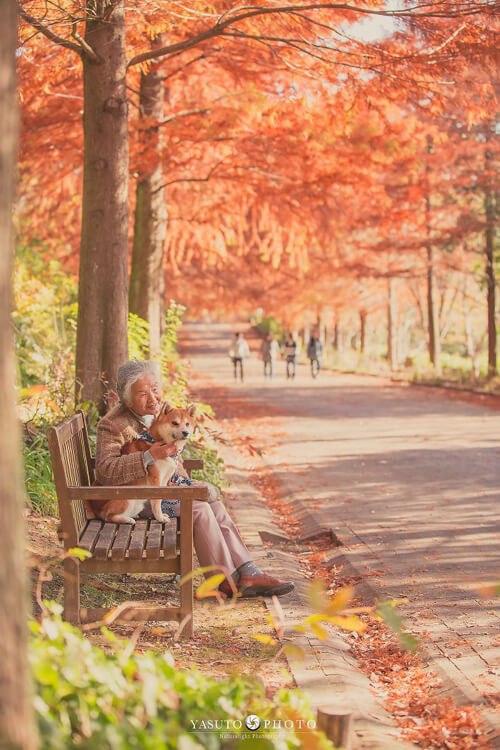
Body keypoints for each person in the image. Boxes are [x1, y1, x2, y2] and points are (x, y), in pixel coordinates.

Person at [95, 360, 294, 598]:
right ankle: (226, 580)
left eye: (155, 389)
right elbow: (105, 470)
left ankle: (248, 571)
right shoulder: (112, 425)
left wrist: (188, 484)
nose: (153, 398)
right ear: (127, 401)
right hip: (136, 499)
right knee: (198, 509)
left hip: (164, 490)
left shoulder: (161, 414)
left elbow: (172, 462)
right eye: (142, 394)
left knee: (215, 506)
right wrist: (148, 456)